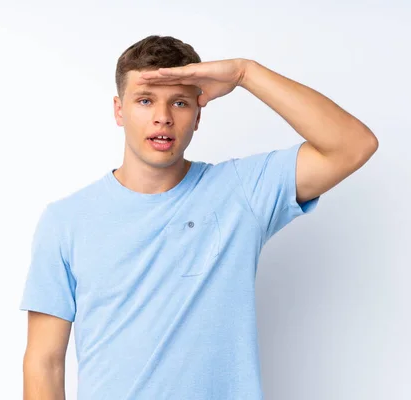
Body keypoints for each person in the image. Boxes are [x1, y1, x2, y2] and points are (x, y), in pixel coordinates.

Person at [19, 35, 378, 400]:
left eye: (179, 102)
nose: (163, 117)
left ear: (198, 114)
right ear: (119, 110)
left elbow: (353, 145)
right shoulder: (66, 221)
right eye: (145, 100)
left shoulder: (241, 191)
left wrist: (244, 73)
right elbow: (44, 363)